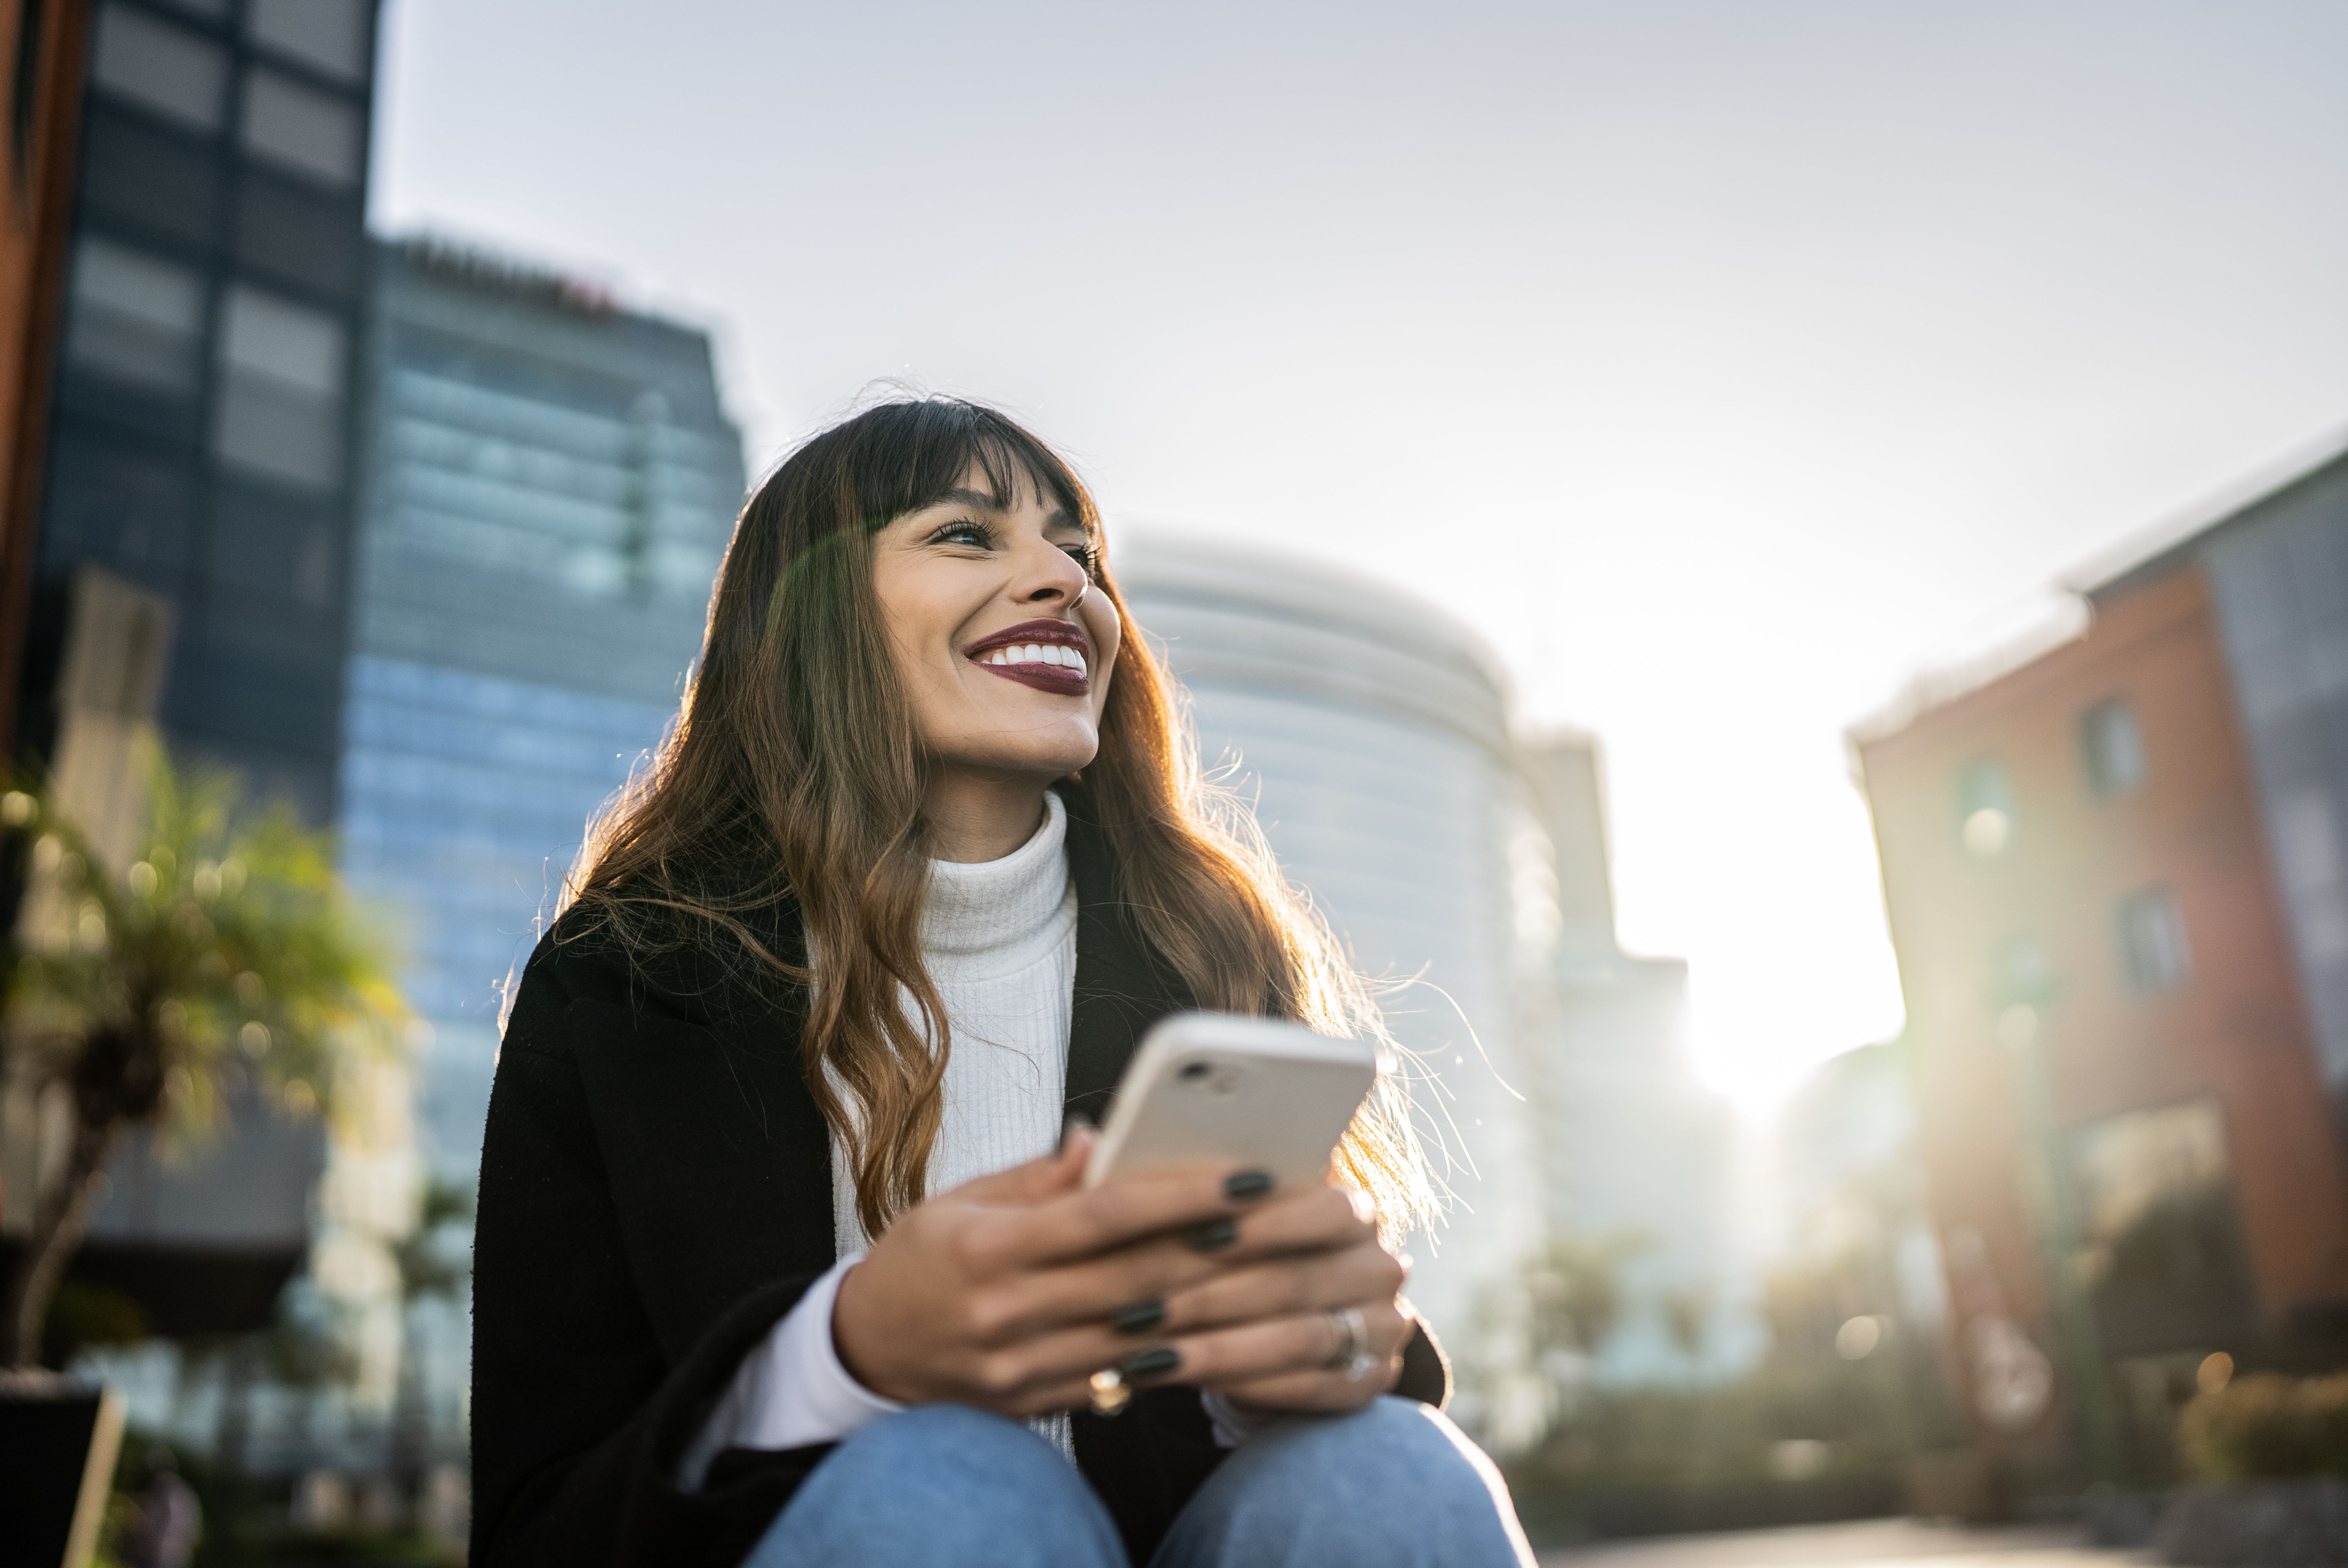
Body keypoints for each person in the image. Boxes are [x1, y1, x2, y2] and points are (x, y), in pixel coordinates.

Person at [471, 397, 1536, 1568]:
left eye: (1080, 553)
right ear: (813, 618)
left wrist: (1298, 1357)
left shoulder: (1205, 947)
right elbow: (540, 1526)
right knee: (945, 1483)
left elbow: (1289, 1409)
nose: (1065, 581)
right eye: (966, 535)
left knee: (1389, 1467)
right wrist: (840, 1358)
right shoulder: (622, 984)